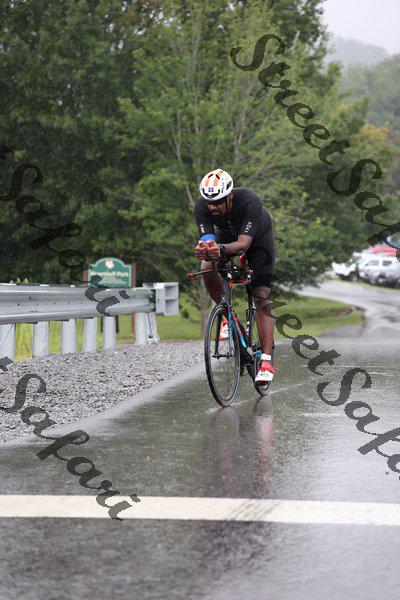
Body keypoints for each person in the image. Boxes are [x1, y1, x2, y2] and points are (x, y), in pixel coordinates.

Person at [194, 168, 275, 383]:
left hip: (257, 240)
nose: (212, 207)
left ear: (229, 196)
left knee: (261, 295)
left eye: (218, 202)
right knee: (206, 265)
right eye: (209, 202)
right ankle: (228, 315)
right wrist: (205, 249)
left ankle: (266, 361)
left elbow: (243, 244)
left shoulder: (248, 199)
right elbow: (209, 241)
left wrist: (220, 249)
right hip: (228, 236)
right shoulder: (202, 206)